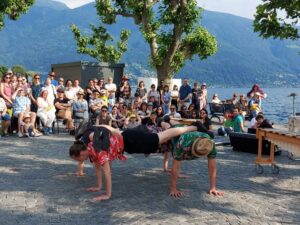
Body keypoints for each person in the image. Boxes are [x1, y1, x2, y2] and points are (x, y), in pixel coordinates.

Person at [69, 122, 203, 201]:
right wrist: (98, 187)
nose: (79, 162)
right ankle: (186, 129)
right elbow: (98, 169)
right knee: (163, 138)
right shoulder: (92, 152)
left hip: (131, 140)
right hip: (129, 144)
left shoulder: (96, 147)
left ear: (81, 152)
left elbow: (107, 173)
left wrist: (107, 194)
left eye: (77, 159)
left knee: (163, 136)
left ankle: (194, 127)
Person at [169, 128, 224, 197]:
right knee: (167, 149)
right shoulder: (183, 142)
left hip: (190, 137)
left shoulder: (209, 144)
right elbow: (176, 165)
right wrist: (173, 189)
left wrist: (213, 187)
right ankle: (166, 168)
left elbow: (212, 167)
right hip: (175, 132)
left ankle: (177, 174)